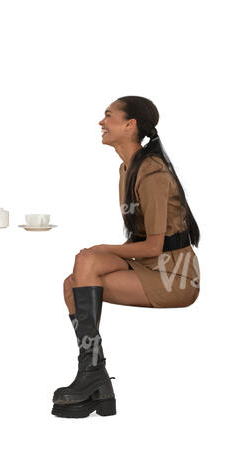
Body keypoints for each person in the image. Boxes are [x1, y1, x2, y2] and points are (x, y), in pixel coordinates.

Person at [51, 96, 200, 418]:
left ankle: (93, 375)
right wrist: (97, 252)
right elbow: (142, 244)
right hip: (149, 265)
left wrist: (102, 248)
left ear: (129, 125)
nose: (101, 122)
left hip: (175, 276)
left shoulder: (152, 173)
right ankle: (96, 379)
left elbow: (153, 247)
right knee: (74, 277)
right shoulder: (127, 168)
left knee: (89, 259)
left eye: (108, 116)